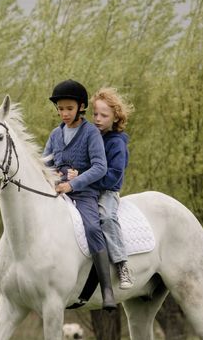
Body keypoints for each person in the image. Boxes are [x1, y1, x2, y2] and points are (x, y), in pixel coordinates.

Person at [42, 79, 115, 311]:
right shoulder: (55, 134)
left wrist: (73, 184)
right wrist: (56, 177)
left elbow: (100, 167)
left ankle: (107, 289)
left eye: (69, 109)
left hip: (84, 195)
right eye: (60, 108)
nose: (64, 113)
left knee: (93, 228)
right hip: (58, 193)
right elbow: (44, 163)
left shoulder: (90, 132)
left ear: (80, 107)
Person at [68, 87, 134, 290]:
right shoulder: (90, 135)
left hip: (107, 191)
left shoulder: (117, 144)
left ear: (115, 118)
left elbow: (113, 175)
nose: (97, 119)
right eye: (95, 114)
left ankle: (122, 264)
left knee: (105, 217)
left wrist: (83, 178)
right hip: (86, 188)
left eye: (104, 115)